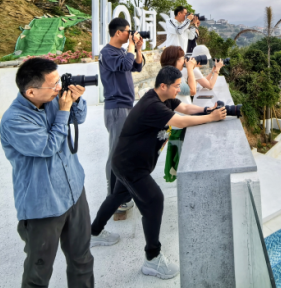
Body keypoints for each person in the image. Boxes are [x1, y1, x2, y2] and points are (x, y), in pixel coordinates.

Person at [90, 66, 227, 279]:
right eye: (176, 86)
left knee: (117, 197)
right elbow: (180, 121)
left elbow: (186, 108)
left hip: (126, 161)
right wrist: (211, 118)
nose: (179, 89)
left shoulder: (165, 99)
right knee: (154, 201)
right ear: (163, 86)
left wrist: (208, 110)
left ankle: (93, 233)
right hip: (130, 166)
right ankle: (152, 258)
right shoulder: (152, 105)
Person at [0, 58, 92, 288]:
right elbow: (48, 147)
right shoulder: (14, 120)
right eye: (53, 85)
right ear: (31, 91)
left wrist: (76, 101)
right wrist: (64, 110)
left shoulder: (52, 100)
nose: (59, 88)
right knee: (38, 274)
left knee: (82, 260)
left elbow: (79, 118)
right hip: (43, 206)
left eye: (58, 81)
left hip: (74, 192)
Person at [99, 17, 144, 217]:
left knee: (124, 151)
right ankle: (114, 199)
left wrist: (138, 49)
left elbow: (136, 66)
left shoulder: (121, 52)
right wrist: (131, 47)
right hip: (116, 107)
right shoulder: (107, 53)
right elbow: (125, 66)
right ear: (118, 32)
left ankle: (122, 195)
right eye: (128, 31)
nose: (130, 34)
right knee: (116, 153)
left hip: (125, 106)